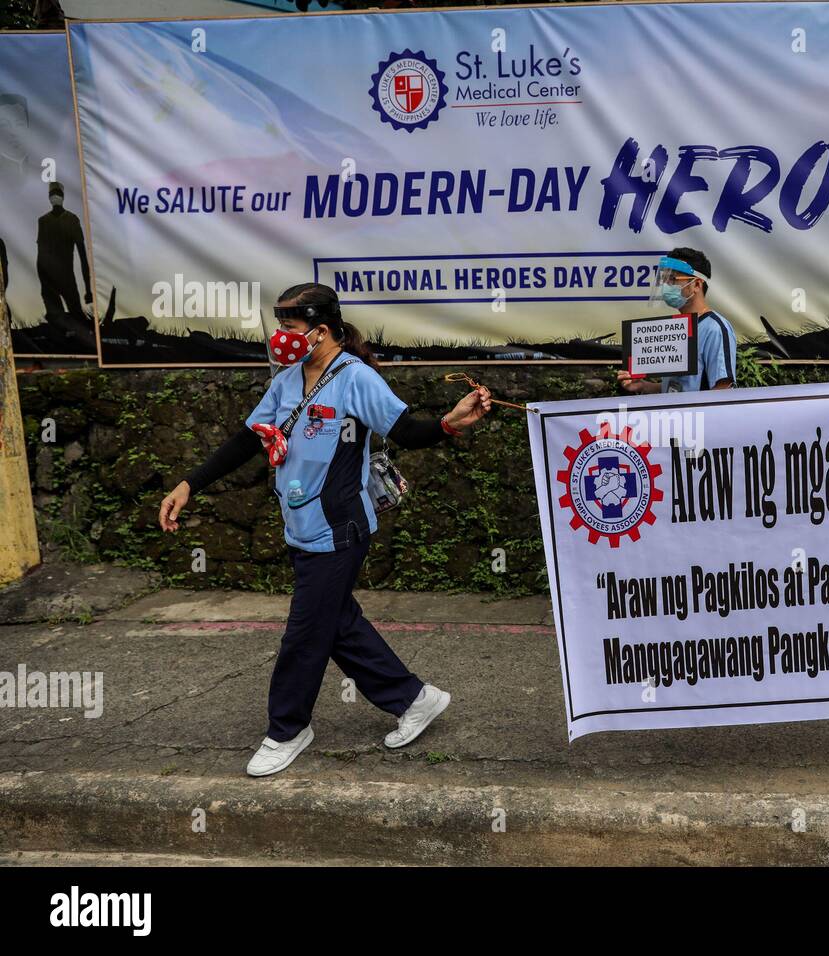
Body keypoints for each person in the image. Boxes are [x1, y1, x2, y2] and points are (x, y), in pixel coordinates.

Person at [158, 282, 493, 776]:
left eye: (289, 328)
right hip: (300, 522)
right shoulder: (287, 378)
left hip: (339, 526)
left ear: (319, 330)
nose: (280, 337)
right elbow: (247, 440)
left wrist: (449, 422)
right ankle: (414, 699)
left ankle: (287, 729)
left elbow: (406, 431)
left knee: (305, 632)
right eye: (279, 327)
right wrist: (190, 483)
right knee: (337, 623)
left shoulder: (355, 378)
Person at [617, 247, 738, 394]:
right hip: (676, 416)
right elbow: (674, 389)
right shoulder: (677, 328)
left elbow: (723, 390)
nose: (666, 286)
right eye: (664, 279)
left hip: (699, 416)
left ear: (697, 285)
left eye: (673, 279)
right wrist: (643, 386)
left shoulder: (715, 328)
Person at [36, 181, 92, 319]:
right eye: (52, 194)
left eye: (57, 193)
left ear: (62, 196)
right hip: (48, 279)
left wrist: (88, 289)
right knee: (57, 322)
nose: (54, 196)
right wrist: (44, 284)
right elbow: (40, 254)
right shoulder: (43, 221)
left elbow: (83, 256)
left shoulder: (72, 220)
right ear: (49, 197)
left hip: (67, 278)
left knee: (77, 319)